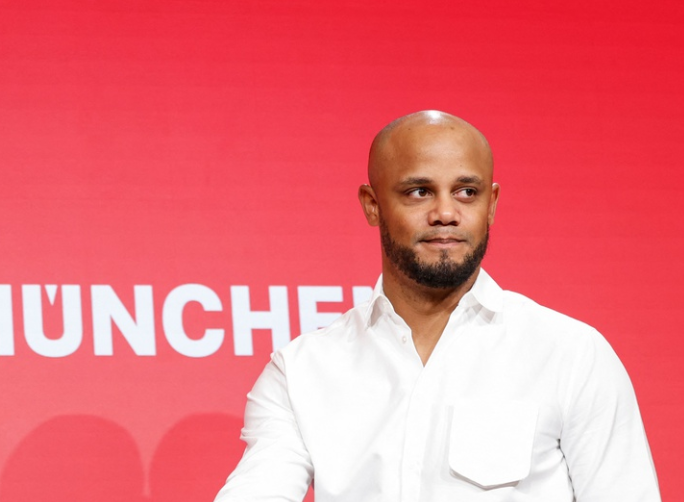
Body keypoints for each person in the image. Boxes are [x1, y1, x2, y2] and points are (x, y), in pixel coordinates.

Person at [214, 110, 661, 501]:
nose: (446, 213)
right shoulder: (302, 372)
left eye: (467, 192)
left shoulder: (571, 355)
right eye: (419, 192)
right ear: (372, 205)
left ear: (492, 205)